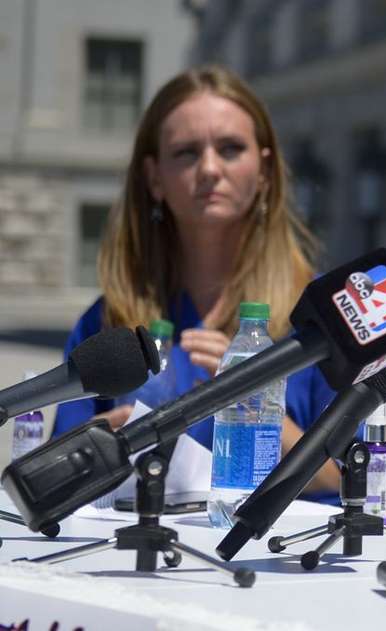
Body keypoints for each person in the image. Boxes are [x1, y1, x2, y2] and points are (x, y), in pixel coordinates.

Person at [54, 66, 340, 498]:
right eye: (186, 152)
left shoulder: (323, 314)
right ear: (154, 177)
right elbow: (54, 477)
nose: (209, 168)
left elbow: (344, 482)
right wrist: (98, 442)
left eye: (230, 149)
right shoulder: (109, 318)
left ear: (264, 170)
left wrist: (250, 391)